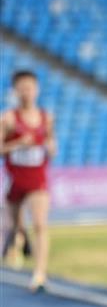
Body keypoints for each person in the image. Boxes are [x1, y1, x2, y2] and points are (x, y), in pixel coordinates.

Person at [1, 70, 55, 292]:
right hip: (16, 179)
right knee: (15, 224)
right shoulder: (8, 118)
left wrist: (51, 147)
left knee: (41, 224)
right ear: (16, 91)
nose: (27, 93)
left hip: (37, 178)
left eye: (30, 88)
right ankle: (20, 239)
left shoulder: (46, 117)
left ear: (37, 89)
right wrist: (19, 144)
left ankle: (40, 275)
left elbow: (51, 144)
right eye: (22, 88)